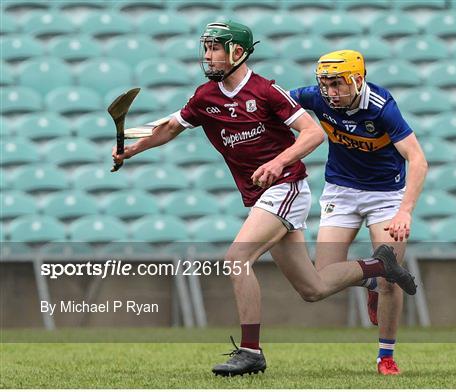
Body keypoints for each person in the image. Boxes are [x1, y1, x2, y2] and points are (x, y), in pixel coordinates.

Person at [112, 22, 416, 377]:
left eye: (215, 48)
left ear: (237, 53)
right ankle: (379, 268)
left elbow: (313, 132)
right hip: (260, 194)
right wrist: (133, 150)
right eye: (206, 48)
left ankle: (251, 352)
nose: (207, 56)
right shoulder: (204, 97)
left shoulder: (266, 91)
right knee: (313, 289)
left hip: (286, 187)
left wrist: (278, 161)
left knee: (238, 258)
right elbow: (170, 127)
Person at [289, 50, 428, 375]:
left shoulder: (381, 106)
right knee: (321, 279)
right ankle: (372, 279)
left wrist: (405, 212)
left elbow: (418, 159)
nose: (330, 92)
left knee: (391, 278)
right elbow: (275, 99)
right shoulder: (316, 98)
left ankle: (386, 357)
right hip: (342, 191)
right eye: (325, 84)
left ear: (357, 80)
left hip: (386, 196)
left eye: (337, 84)